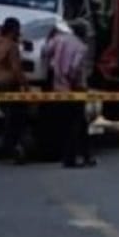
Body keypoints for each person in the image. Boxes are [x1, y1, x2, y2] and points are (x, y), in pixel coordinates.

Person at [42, 21, 95, 168]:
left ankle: (82, 156)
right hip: (75, 89)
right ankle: (71, 158)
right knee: (76, 124)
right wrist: (71, 80)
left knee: (66, 123)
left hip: (58, 88)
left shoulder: (59, 39)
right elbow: (75, 68)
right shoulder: (81, 47)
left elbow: (45, 51)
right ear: (83, 34)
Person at [0, 17, 28, 164]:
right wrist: (25, 85)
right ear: (13, 30)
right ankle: (12, 148)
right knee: (17, 118)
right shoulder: (12, 47)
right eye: (18, 30)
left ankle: (9, 148)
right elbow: (16, 69)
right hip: (10, 86)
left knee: (9, 117)